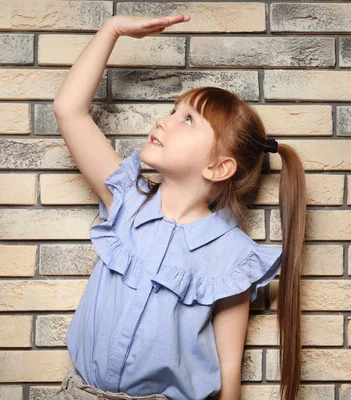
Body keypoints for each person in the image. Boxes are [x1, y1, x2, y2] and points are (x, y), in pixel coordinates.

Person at [51, 14, 306, 400]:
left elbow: (228, 368)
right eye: (172, 110)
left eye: (186, 120)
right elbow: (69, 110)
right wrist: (112, 29)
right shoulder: (127, 202)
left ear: (219, 167)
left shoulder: (233, 257)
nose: (163, 121)